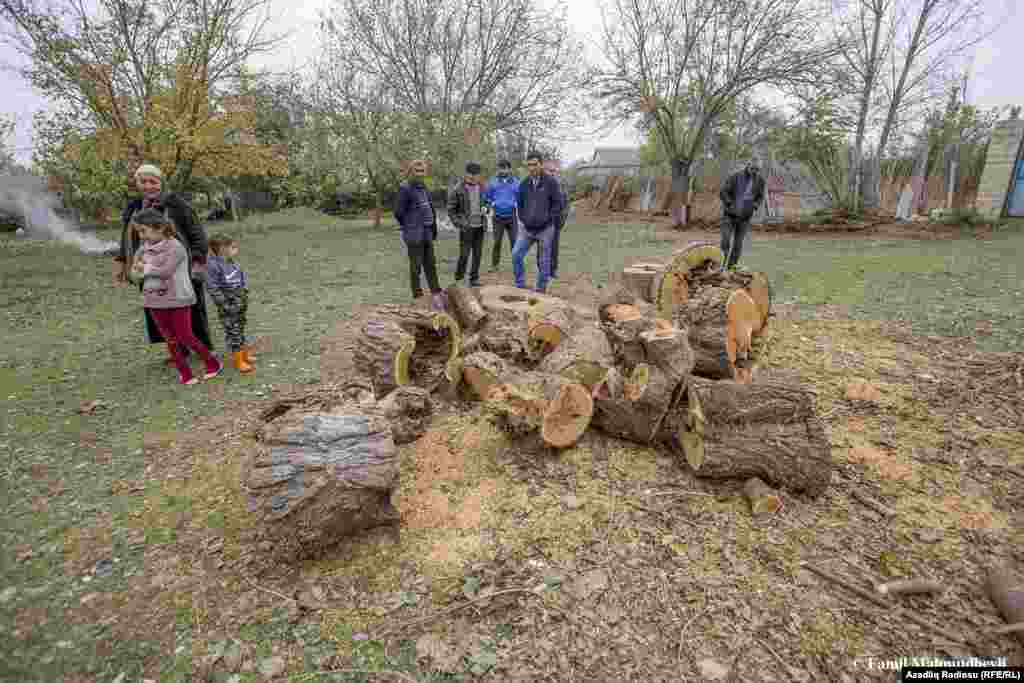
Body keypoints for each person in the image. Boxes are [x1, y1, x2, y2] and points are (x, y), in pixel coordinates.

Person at [115, 163, 214, 365]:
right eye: (143, 182)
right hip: (147, 265)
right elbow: (126, 236)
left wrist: (197, 258)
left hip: (178, 266)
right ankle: (177, 349)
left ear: (161, 183)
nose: (148, 186)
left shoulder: (175, 204)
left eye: (153, 181)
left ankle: (200, 346)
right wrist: (123, 262)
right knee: (159, 306)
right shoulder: (134, 207)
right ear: (137, 184)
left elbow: (196, 232)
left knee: (187, 305)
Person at [133, 209, 222, 386]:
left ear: (158, 228)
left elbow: (166, 271)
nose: (141, 236)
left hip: (178, 298)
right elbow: (135, 271)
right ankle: (185, 373)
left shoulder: (175, 247)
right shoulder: (142, 249)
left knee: (185, 335)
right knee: (170, 338)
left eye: (144, 231)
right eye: (139, 232)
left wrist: (146, 268)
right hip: (154, 300)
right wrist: (139, 270)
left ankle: (212, 362)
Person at [394, 159, 446, 310]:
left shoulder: (423, 187)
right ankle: (417, 295)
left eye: (422, 171)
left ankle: (436, 291)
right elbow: (398, 212)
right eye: (417, 171)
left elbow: (429, 207)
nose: (420, 174)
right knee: (416, 266)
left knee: (430, 263)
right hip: (414, 233)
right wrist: (409, 225)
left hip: (427, 231)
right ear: (411, 172)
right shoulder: (405, 188)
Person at [513, 151, 563, 293]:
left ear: (541, 164)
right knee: (516, 254)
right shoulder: (524, 184)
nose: (532, 168)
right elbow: (520, 205)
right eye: (529, 165)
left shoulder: (551, 183)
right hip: (527, 229)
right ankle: (520, 285)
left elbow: (558, 204)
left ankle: (541, 289)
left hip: (545, 229)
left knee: (544, 260)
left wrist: (548, 220)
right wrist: (524, 219)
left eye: (534, 164)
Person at [207, 234, 255, 374]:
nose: (236, 249)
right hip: (228, 306)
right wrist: (224, 304)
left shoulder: (232, 262)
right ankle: (239, 360)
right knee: (233, 332)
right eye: (232, 247)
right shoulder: (213, 266)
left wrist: (245, 290)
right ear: (222, 249)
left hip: (240, 303)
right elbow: (213, 288)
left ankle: (245, 355)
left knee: (240, 328)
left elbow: (242, 275)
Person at [718, 160, 766, 271]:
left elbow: (760, 196)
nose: (754, 171)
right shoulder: (735, 176)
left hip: (745, 218)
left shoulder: (760, 181)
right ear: (748, 166)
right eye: (753, 169)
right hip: (729, 216)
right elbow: (723, 192)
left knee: (738, 245)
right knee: (725, 241)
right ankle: (720, 266)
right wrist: (730, 204)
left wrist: (754, 205)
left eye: (757, 170)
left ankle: (731, 268)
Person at [448, 162, 487, 287]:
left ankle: (473, 279)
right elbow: (451, 209)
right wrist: (459, 223)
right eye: (470, 175)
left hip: (480, 227)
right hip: (466, 228)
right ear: (466, 174)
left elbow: (487, 202)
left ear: (479, 176)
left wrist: (487, 207)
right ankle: (459, 279)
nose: (473, 178)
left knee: (477, 255)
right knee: (464, 255)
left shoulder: (482, 187)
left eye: (475, 175)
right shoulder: (458, 189)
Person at [484, 159, 520, 271]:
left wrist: (516, 204)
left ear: (509, 169)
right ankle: (495, 265)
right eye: (501, 168)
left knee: (514, 242)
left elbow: (521, 198)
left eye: (505, 168)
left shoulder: (516, 182)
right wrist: (489, 206)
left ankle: (517, 265)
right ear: (498, 169)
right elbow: (487, 198)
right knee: (497, 242)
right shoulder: (492, 182)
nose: (503, 170)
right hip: (498, 217)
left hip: (512, 217)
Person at [544, 159, 570, 280]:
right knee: (543, 247)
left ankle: (552, 271)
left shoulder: (561, 186)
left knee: (554, 247)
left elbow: (566, 205)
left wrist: (561, 220)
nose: (552, 173)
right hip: (543, 222)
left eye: (554, 171)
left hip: (556, 222)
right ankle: (543, 270)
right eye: (550, 170)